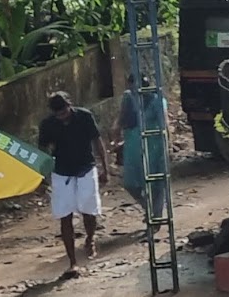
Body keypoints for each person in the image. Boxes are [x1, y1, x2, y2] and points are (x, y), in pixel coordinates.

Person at [38, 91, 109, 271]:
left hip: (86, 168)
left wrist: (105, 168)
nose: (62, 116)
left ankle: (90, 238)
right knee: (65, 216)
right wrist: (42, 176)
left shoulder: (84, 116)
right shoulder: (47, 125)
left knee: (89, 210)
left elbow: (97, 141)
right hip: (61, 172)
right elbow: (42, 150)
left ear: (69, 105)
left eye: (64, 112)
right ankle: (72, 261)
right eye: (58, 114)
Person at [118, 83, 169, 218]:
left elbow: (165, 124)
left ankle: (156, 215)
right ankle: (148, 207)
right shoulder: (128, 98)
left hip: (154, 146)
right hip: (133, 147)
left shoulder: (157, 100)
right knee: (130, 183)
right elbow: (121, 120)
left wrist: (167, 145)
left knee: (156, 183)